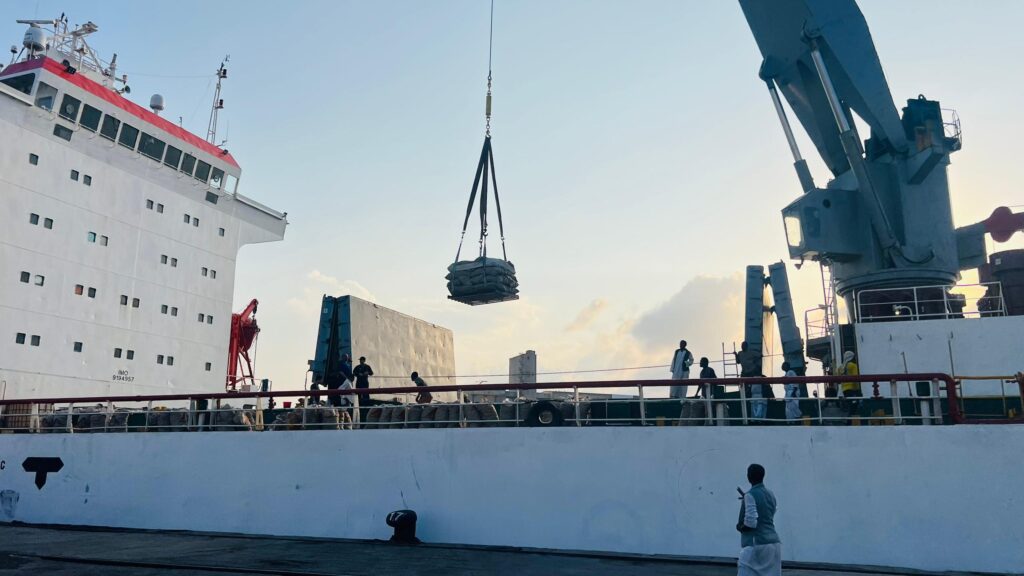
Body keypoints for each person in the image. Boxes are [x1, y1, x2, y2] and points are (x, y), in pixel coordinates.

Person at [736, 463, 782, 576]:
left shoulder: (750, 495)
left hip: (757, 544)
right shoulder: (770, 494)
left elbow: (751, 523)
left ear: (748, 477)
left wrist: (740, 527)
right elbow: (771, 512)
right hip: (774, 544)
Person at [839, 351, 861, 417]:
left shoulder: (840, 368)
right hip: (853, 389)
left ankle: (850, 420)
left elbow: (838, 379)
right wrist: (858, 389)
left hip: (844, 390)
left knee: (851, 404)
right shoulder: (853, 366)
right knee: (854, 404)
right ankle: (850, 421)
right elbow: (856, 378)